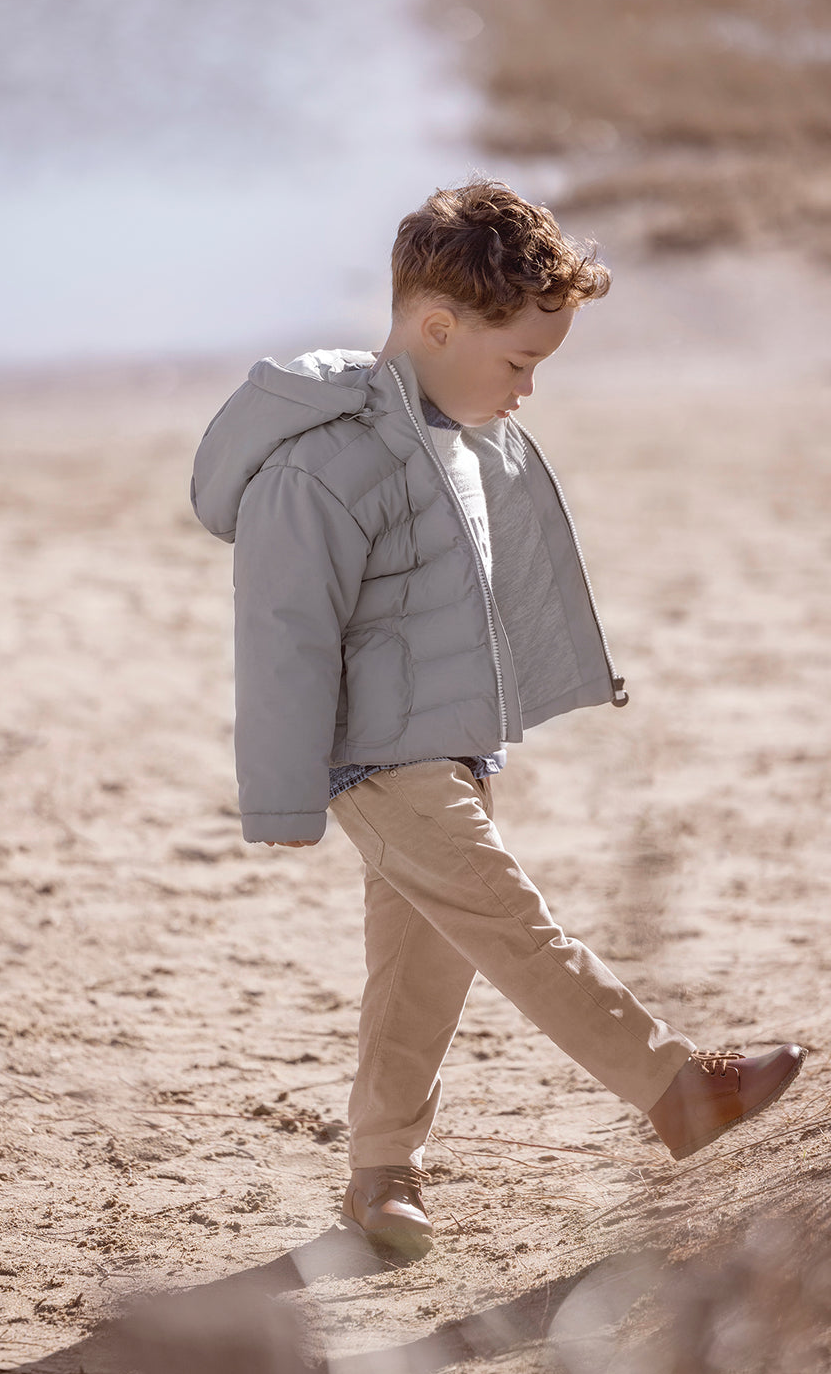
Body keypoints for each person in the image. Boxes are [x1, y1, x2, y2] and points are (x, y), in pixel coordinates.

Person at [188, 179, 806, 1261]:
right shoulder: (324, 463)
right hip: (371, 760)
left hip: (448, 745)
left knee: (424, 965)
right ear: (437, 327)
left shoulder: (454, 438)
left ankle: (382, 1172)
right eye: (518, 362)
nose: (527, 389)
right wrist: (282, 793)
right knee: (511, 922)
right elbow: (284, 635)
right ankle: (673, 1087)